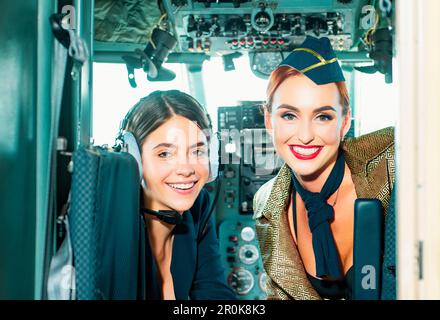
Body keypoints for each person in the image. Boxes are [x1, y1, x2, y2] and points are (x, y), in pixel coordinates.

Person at [253, 36, 395, 300]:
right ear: (269, 120)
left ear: (344, 122)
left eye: (322, 117)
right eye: (289, 115)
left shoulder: (395, 161)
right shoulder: (265, 202)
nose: (305, 136)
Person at [120, 90, 236, 300]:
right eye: (165, 154)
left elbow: (214, 293)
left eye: (197, 151)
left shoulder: (198, 206)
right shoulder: (115, 227)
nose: (186, 169)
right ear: (134, 159)